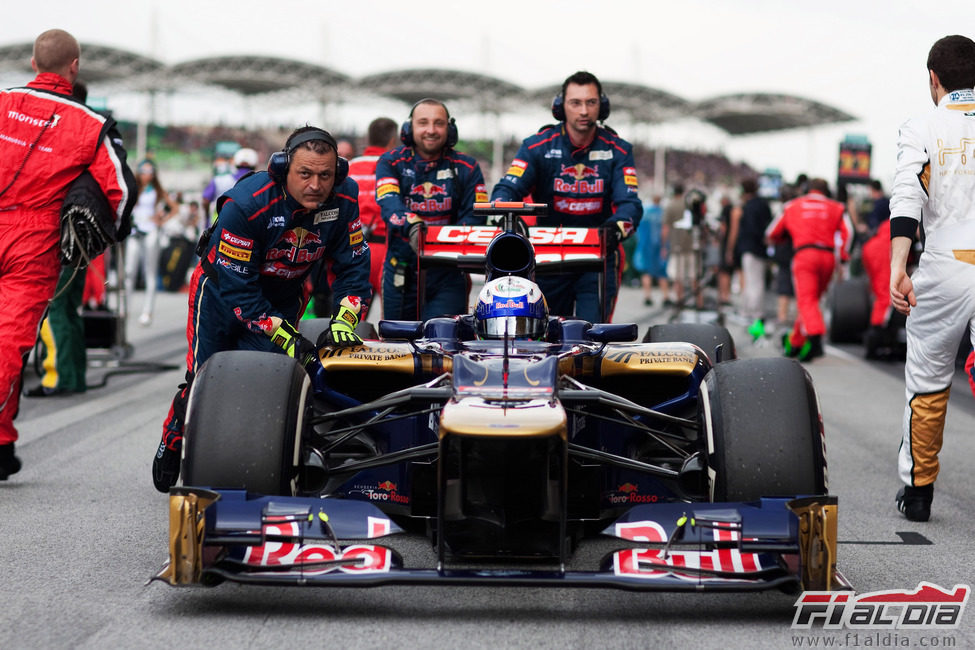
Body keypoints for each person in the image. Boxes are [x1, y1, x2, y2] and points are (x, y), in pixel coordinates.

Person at [152, 126, 372, 492]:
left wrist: (345, 323)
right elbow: (240, 291)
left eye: (325, 175)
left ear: (338, 173)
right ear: (284, 169)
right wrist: (288, 337)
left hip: (284, 292)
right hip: (221, 293)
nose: (316, 185)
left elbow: (353, 269)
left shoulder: (346, 198)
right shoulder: (246, 203)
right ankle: (174, 436)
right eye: (305, 173)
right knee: (204, 379)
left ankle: (252, 455)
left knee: (271, 380)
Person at [0, 29, 135, 480]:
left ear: (33, 63)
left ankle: (2, 444)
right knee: (9, 342)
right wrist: (105, 238)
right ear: (73, 66)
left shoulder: (2, 101)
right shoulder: (91, 124)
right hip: (33, 241)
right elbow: (119, 193)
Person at [889, 35, 975, 522]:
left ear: (933, 78)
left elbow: (908, 198)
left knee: (927, 376)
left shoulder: (922, 125)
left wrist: (898, 268)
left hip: (947, 265)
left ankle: (918, 492)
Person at [491, 71, 641, 322]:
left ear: (601, 107)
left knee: (592, 337)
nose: (584, 111)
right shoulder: (536, 146)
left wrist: (617, 228)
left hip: (597, 258)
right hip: (547, 258)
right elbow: (505, 190)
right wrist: (508, 216)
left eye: (590, 102)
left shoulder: (618, 150)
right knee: (545, 335)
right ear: (561, 107)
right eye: (576, 103)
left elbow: (630, 205)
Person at [376, 99, 487, 320]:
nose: (431, 130)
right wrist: (413, 225)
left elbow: (476, 215)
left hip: (449, 273)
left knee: (444, 342)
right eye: (423, 123)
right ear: (409, 128)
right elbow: (389, 203)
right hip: (401, 273)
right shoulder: (390, 161)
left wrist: (441, 241)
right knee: (398, 345)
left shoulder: (468, 167)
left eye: (439, 123)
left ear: (449, 128)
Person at [766, 178, 851, 361]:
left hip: (804, 256)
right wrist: (842, 258)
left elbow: (771, 232)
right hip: (828, 258)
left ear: (806, 189)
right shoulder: (837, 207)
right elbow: (848, 232)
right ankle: (796, 343)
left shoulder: (791, 206)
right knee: (812, 302)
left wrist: (784, 240)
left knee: (806, 301)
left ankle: (815, 340)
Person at [348, 117, 399, 312]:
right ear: (393, 140)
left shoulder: (351, 166)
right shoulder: (395, 166)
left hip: (355, 250)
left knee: (351, 319)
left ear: (369, 138)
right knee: (393, 323)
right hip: (387, 250)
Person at [124, 159, 178, 326]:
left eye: (150, 172)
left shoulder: (157, 190)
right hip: (134, 231)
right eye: (144, 172)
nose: (147, 175)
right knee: (129, 270)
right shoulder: (133, 187)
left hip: (151, 231)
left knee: (150, 272)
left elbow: (174, 207)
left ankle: (147, 311)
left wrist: (162, 220)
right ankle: (125, 308)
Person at [727, 178, 773, 338]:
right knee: (754, 282)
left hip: (750, 248)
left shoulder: (747, 207)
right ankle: (750, 313)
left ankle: (754, 314)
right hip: (759, 248)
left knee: (753, 282)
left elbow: (745, 229)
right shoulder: (763, 204)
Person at [661, 184, 691, 308]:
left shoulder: (671, 205)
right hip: (690, 245)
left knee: (677, 275)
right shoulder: (689, 205)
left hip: (677, 245)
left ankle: (680, 300)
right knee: (693, 275)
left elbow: (665, 228)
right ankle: (698, 302)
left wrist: (663, 245)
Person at [632, 194, 665, 306]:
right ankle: (665, 296)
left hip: (645, 245)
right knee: (662, 271)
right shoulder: (662, 212)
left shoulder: (645, 212)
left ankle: (647, 296)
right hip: (659, 245)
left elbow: (636, 228)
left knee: (646, 272)